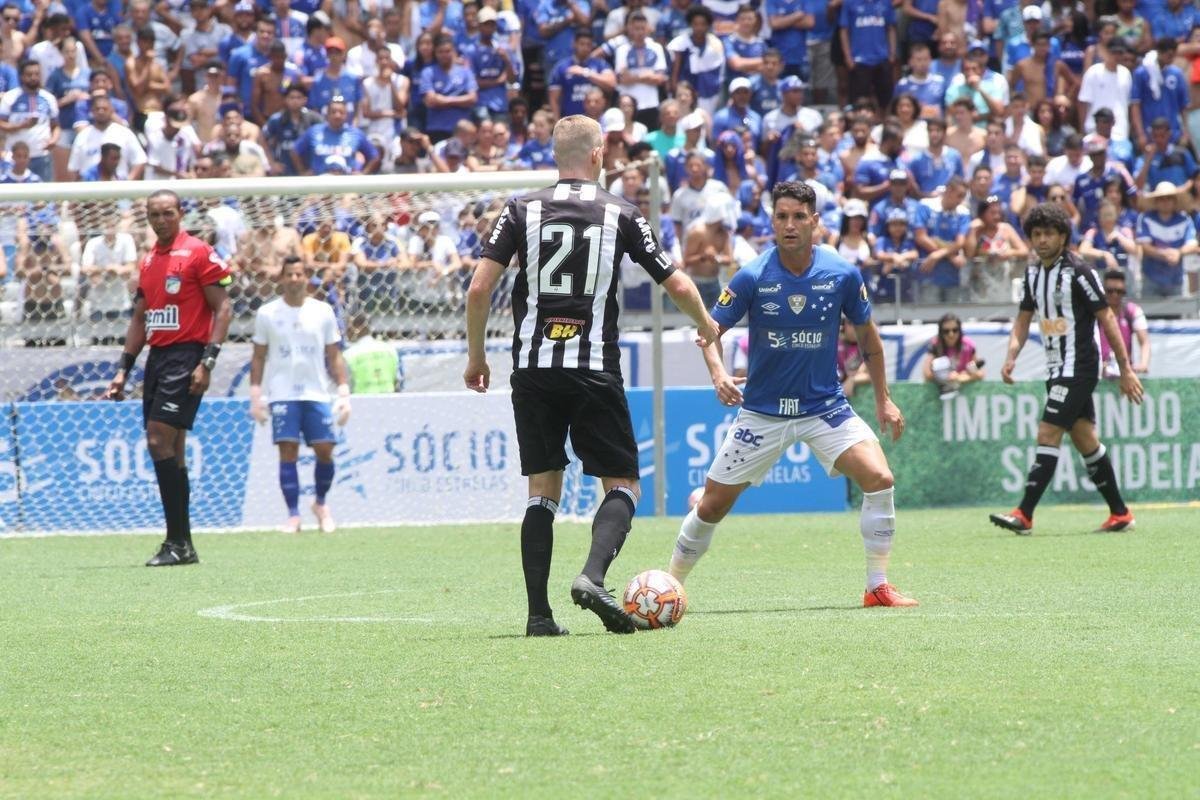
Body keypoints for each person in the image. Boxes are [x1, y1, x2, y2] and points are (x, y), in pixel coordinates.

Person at [464, 114, 721, 637]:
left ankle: (539, 616)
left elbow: (478, 289)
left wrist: (476, 358)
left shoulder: (519, 208)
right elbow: (675, 282)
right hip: (592, 367)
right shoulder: (621, 212)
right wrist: (706, 323)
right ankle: (592, 577)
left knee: (542, 490)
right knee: (622, 484)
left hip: (533, 367)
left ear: (555, 156)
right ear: (599, 155)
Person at [666, 180, 916, 608]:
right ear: (772, 221)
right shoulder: (752, 276)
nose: (790, 225)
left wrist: (883, 399)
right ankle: (669, 586)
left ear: (815, 221)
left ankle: (877, 587)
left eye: (799, 216)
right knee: (711, 507)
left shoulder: (841, 273)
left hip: (825, 408)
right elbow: (709, 331)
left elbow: (869, 341)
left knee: (880, 479)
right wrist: (719, 373)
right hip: (762, 413)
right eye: (781, 216)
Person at [990, 202, 1145, 536]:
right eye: (1036, 234)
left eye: (1049, 233)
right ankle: (1120, 514)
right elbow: (1023, 320)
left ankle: (1024, 514)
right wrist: (1011, 355)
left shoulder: (1079, 271)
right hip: (1055, 368)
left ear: (1062, 236)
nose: (1042, 240)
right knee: (1085, 439)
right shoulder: (1033, 274)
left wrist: (1125, 368)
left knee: (1048, 432)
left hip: (1080, 367)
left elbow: (1106, 317)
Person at [105, 189, 233, 567]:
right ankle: (182, 545)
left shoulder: (198, 253)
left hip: (187, 356)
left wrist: (207, 361)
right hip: (158, 359)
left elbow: (224, 307)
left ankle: (176, 541)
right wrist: (123, 369)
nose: (161, 220)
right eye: (154, 215)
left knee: (158, 439)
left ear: (180, 214)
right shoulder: (148, 261)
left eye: (168, 213)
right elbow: (140, 319)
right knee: (172, 450)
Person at [249, 257, 351, 534]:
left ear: (306, 277)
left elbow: (334, 354)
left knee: (325, 449)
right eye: (289, 275)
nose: (294, 279)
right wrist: (256, 394)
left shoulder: (323, 311)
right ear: (281, 278)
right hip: (282, 393)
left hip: (317, 392)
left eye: (298, 274)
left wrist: (343, 391)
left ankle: (320, 503)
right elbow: (258, 356)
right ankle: (293, 515)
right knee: (288, 450)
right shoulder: (267, 313)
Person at [1098, 269, 1151, 378]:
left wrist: (1143, 364)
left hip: (1125, 371)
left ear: (1124, 291)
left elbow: (1144, 342)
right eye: (1110, 291)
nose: (1114, 295)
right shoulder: (1094, 312)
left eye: (1119, 291)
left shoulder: (1132, 311)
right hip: (1098, 371)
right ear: (1103, 291)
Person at [921, 313, 985, 397]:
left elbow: (980, 374)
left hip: (964, 395)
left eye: (955, 330)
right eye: (946, 331)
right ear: (941, 332)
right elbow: (927, 374)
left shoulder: (968, 345)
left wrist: (961, 378)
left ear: (960, 331)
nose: (951, 334)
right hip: (940, 395)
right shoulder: (935, 345)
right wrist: (945, 377)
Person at [343, 313, 400, 393]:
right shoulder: (389, 350)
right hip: (389, 398)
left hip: (360, 399)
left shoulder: (349, 355)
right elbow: (397, 382)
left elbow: (347, 386)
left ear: (357, 327)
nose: (346, 331)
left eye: (348, 327)